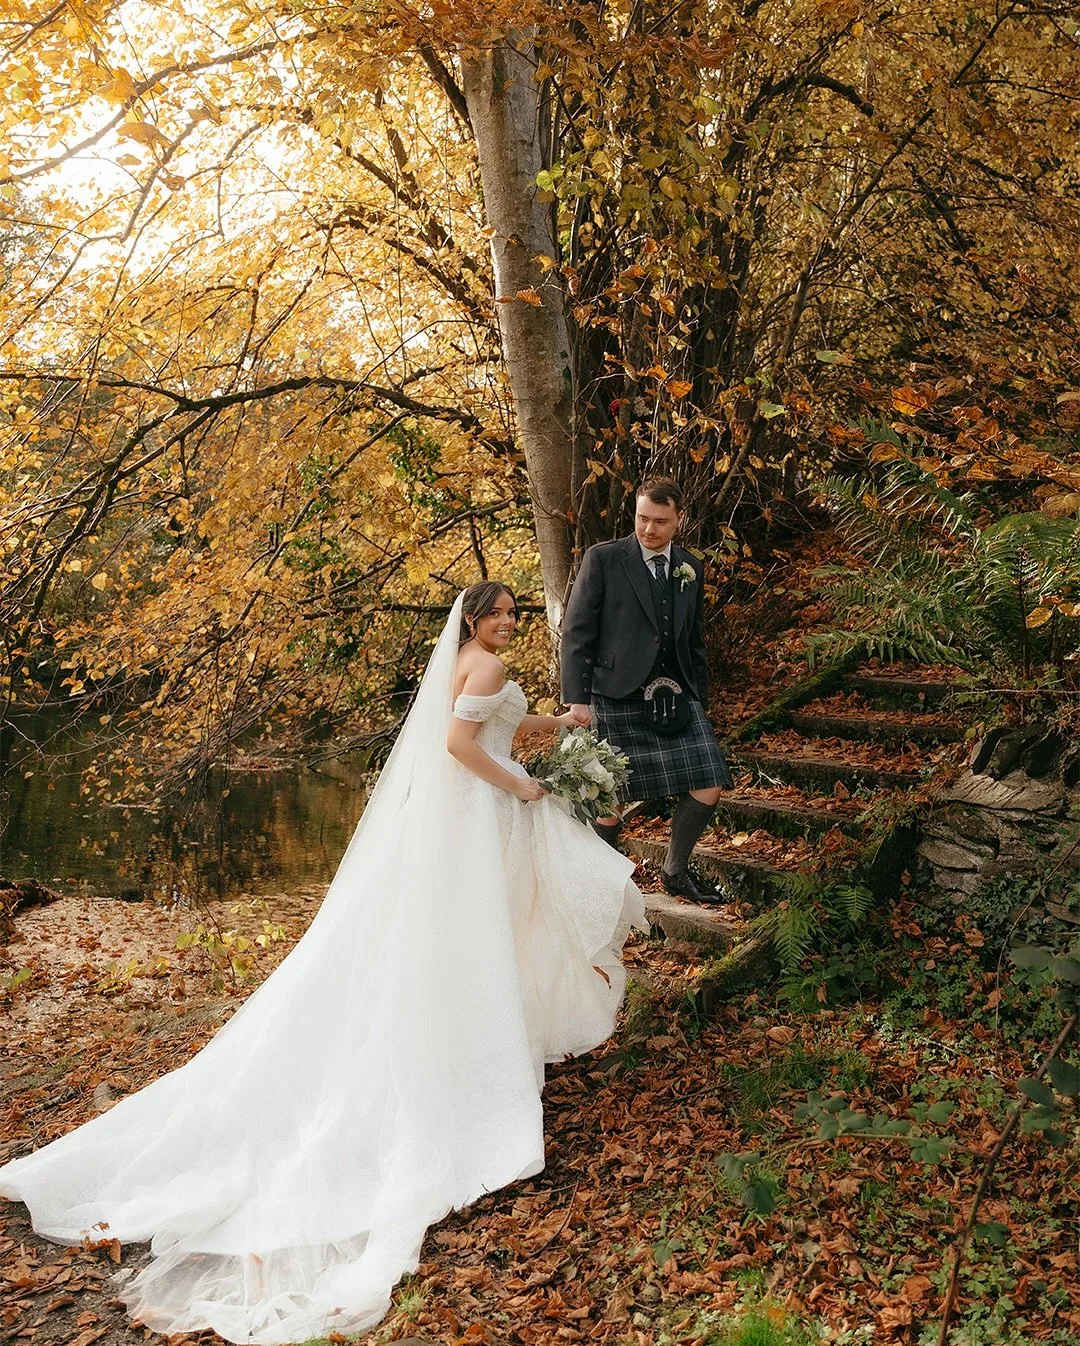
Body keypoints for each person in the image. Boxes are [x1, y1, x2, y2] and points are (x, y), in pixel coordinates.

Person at [0, 583, 645, 1346]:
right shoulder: (486, 666)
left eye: (512, 614)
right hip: (479, 811)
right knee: (471, 940)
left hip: (465, 818)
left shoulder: (474, 664)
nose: (508, 622)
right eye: (499, 613)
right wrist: (525, 785)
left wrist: (559, 721)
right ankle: (466, 1064)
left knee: (463, 943)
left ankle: (472, 1044)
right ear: (474, 620)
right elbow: (461, 746)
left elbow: (495, 718)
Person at [561, 478, 733, 904]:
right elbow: (576, 632)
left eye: (660, 521)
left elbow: (693, 640)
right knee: (609, 798)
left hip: (676, 696)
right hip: (614, 694)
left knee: (710, 780)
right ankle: (600, 884)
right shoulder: (604, 559)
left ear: (679, 519)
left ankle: (675, 871)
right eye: (642, 518)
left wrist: (701, 698)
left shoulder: (690, 567)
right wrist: (577, 698)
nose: (649, 529)